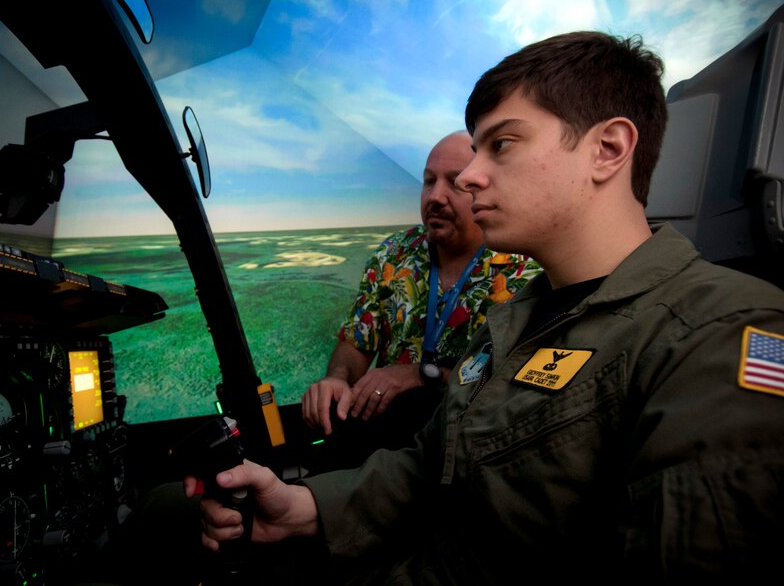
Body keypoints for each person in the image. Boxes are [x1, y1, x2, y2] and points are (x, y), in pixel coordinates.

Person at [191, 30, 784, 584]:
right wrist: (302, 507)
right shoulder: (518, 319)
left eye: (501, 145)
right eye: (471, 152)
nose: (469, 179)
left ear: (607, 149)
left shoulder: (718, 335)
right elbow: (430, 466)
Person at [302, 130, 538, 472]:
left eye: (455, 182)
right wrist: (337, 378)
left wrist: (422, 375)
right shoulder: (394, 253)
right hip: (380, 438)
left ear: (486, 187)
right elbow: (357, 340)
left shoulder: (522, 271)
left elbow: (512, 383)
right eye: (429, 181)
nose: (435, 196)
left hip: (466, 453)